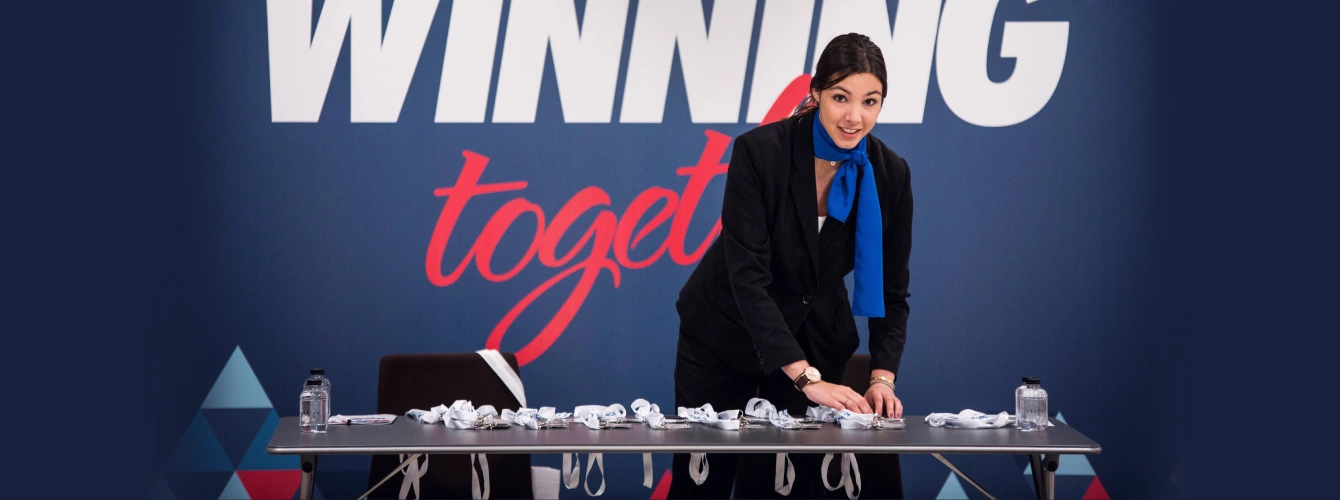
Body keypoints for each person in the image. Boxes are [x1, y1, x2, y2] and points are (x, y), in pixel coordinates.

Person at [669, 33, 913, 499]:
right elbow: (748, 279)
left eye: (870, 101)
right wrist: (805, 377)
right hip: (724, 335)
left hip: (814, 333)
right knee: (701, 486)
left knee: (790, 486)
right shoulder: (761, 153)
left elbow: (892, 290)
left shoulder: (890, 173)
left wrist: (882, 375)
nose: (854, 116)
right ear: (816, 92)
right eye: (841, 97)